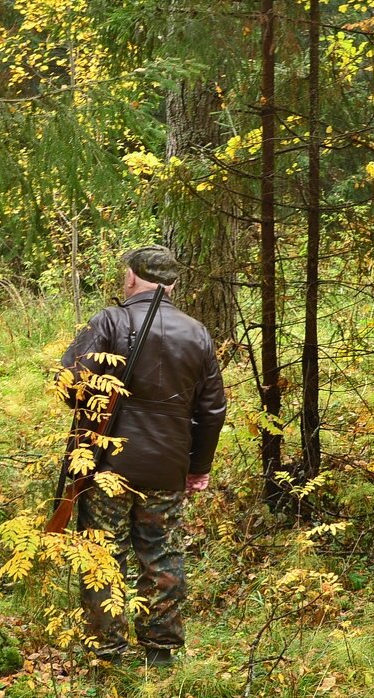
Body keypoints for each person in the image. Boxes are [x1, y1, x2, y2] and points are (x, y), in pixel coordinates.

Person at [59, 245, 226, 667]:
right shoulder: (198, 333)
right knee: (162, 553)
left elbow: (68, 386)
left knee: (102, 554)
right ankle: (162, 652)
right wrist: (198, 467)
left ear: (132, 278)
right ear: (171, 284)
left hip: (105, 464)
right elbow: (212, 411)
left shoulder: (109, 321)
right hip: (168, 466)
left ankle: (107, 652)